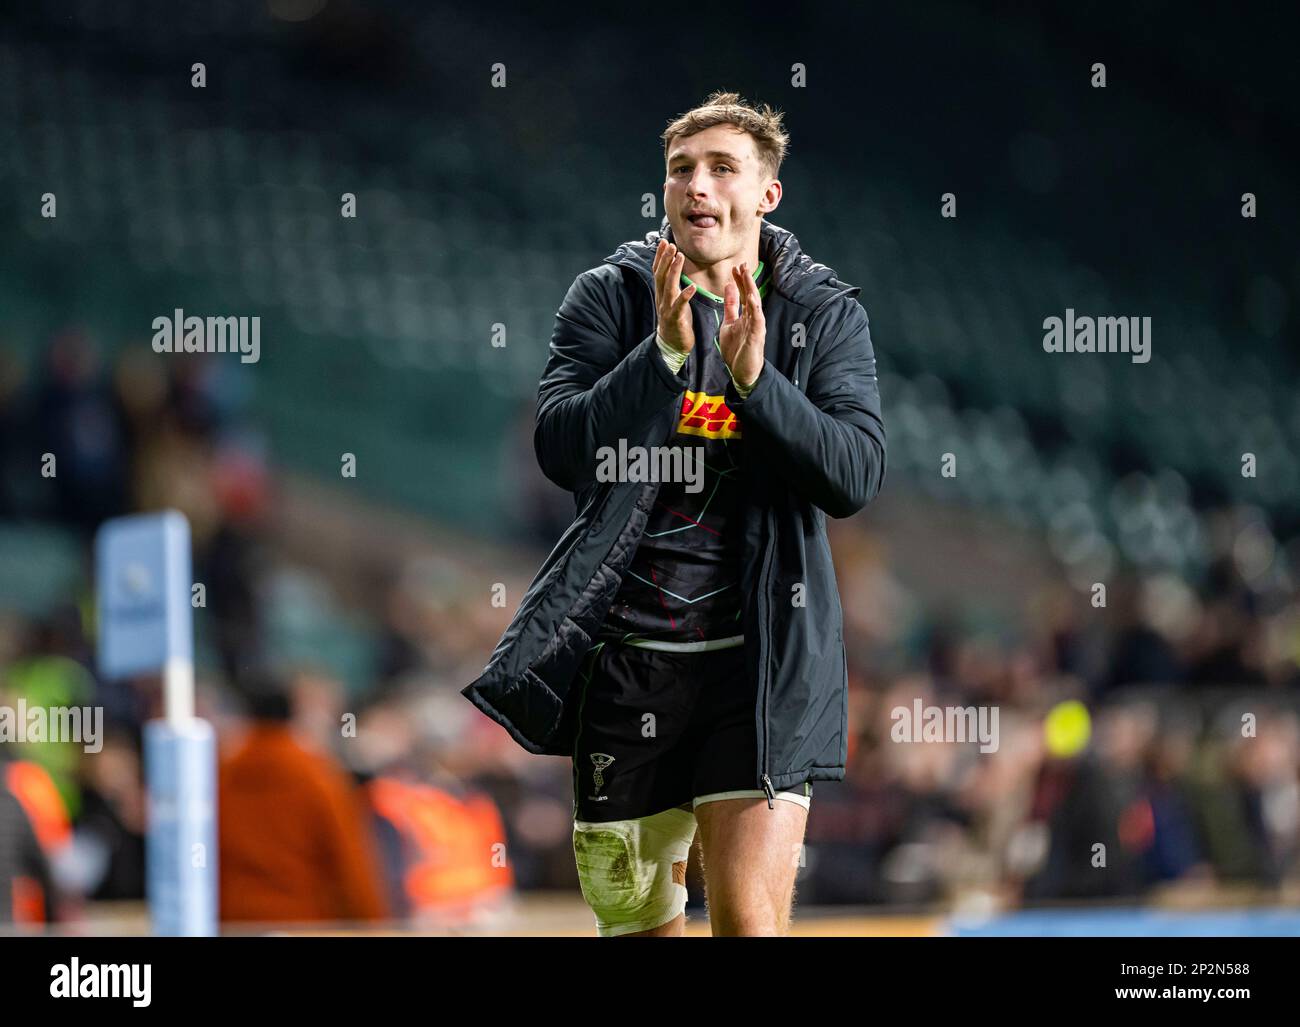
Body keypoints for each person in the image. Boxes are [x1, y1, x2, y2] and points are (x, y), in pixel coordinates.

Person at [462, 91, 886, 936]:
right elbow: (560, 449)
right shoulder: (609, 299)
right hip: (626, 668)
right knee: (640, 926)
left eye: (723, 168)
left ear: (767, 192)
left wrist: (759, 379)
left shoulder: (823, 314)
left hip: (759, 667)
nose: (698, 185)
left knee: (748, 922)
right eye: (681, 170)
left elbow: (853, 474)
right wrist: (658, 358)